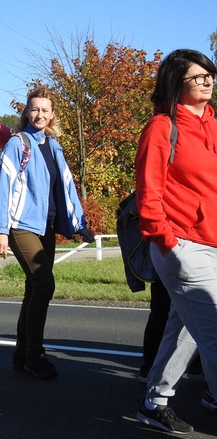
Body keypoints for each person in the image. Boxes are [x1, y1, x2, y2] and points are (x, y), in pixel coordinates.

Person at [134, 49, 217, 434]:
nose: (208, 81)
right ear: (175, 83)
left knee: (184, 329)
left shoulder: (214, 126)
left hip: (213, 243)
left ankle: (155, 402)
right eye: (198, 76)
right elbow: (148, 194)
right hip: (183, 245)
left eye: (210, 75)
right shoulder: (161, 127)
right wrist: (168, 242)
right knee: (213, 331)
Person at [0, 86, 94, 380]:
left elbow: (66, 187)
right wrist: (1, 230)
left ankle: (22, 354)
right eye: (34, 109)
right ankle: (35, 354)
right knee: (44, 284)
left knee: (33, 288)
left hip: (46, 226)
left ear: (52, 115)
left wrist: (80, 224)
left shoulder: (53, 145)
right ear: (26, 112)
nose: (39, 114)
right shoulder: (17, 144)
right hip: (20, 226)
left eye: (45, 110)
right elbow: (4, 189)